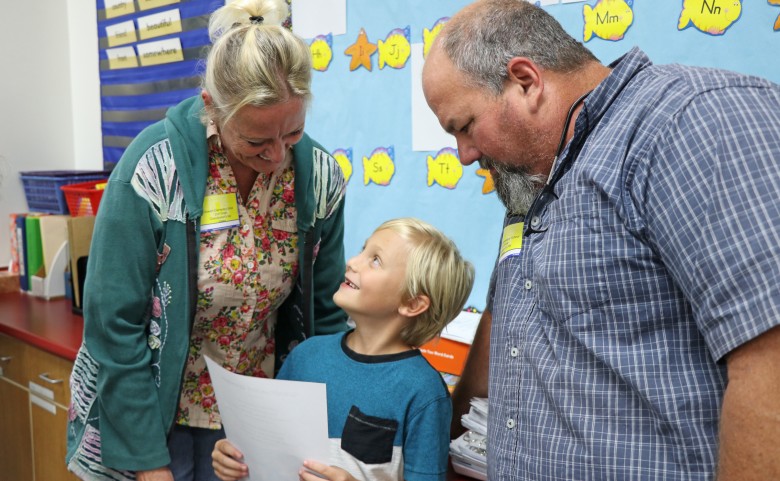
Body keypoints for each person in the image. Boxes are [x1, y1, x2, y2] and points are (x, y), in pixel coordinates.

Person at [421, 1, 780, 480]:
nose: (464, 155)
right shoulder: (533, 182)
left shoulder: (691, 120)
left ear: (526, 81)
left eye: (464, 127)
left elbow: (769, 359)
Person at [66, 0, 349, 479]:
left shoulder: (319, 179)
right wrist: (148, 462)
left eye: (293, 133)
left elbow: (326, 314)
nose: (278, 155)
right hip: (149, 408)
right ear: (211, 107)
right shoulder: (153, 171)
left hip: (251, 419)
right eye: (257, 140)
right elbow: (113, 326)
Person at [211, 217, 475, 481]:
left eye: (375, 260)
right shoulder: (305, 355)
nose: (352, 262)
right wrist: (235, 460)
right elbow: (266, 450)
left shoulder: (424, 391)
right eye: (362, 250)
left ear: (412, 304)